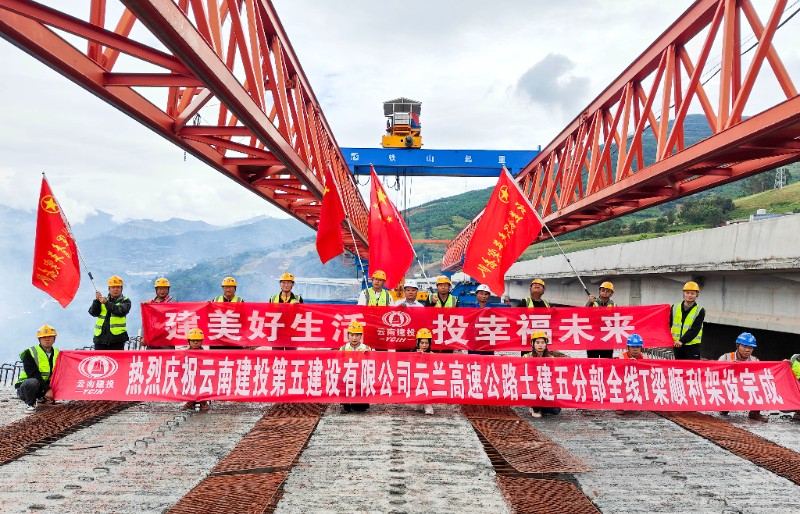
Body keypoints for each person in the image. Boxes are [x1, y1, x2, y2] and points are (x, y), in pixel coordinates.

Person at [718, 332, 767, 422]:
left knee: (761, 385)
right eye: (744, 347)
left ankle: (754, 413)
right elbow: (716, 375)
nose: (747, 350)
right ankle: (725, 407)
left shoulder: (755, 361)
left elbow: (762, 376)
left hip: (746, 387)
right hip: (729, 387)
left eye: (750, 348)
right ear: (738, 346)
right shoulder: (726, 358)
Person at [15, 325, 60, 413]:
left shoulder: (57, 352)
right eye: (44, 337)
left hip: (43, 386)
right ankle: (30, 404)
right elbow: (33, 374)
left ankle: (43, 401)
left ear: (54, 338)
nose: (47, 339)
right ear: (39, 339)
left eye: (50, 336)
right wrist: (47, 389)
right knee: (33, 381)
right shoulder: (30, 352)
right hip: (26, 387)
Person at [522, 331, 561, 418]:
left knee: (556, 411)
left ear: (546, 344)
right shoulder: (526, 357)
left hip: (545, 386)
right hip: (532, 386)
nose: (540, 345)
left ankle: (540, 406)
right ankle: (535, 407)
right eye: (537, 342)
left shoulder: (551, 358)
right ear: (533, 344)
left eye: (543, 342)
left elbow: (554, 375)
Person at [89, 275, 132, 350]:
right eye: (113, 287)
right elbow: (93, 313)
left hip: (117, 340)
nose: (115, 289)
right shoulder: (103, 300)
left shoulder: (125, 301)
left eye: (118, 287)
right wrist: (96, 301)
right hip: (100, 339)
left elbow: (120, 311)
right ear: (109, 289)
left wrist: (106, 303)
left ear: (121, 289)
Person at [339, 321, 371, 412]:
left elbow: (372, 364)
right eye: (352, 335)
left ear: (361, 336)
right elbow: (338, 363)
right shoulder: (343, 348)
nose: (354, 338)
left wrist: (368, 355)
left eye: (357, 335)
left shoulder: (367, 348)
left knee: (360, 408)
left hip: (361, 378)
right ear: (348, 336)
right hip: (347, 376)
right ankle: (345, 405)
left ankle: (358, 402)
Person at [670, 281, 704, 360]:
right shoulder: (675, 307)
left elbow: (695, 329)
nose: (689, 295)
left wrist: (682, 341)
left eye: (692, 293)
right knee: (679, 366)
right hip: (677, 345)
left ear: (697, 295)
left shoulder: (700, 310)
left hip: (692, 346)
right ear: (684, 293)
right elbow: (669, 324)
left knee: (691, 367)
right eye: (687, 293)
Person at [180, 328, 210, 412]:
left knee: (202, 383)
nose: (196, 342)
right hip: (189, 375)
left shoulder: (207, 354)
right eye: (193, 340)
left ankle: (203, 401)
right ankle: (190, 401)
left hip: (201, 376)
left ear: (202, 341)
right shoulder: (184, 353)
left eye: (198, 340)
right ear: (188, 341)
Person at [586, 281, 616, 358]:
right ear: (599, 291)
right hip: (593, 336)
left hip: (607, 338)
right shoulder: (592, 302)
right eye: (603, 290)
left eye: (607, 291)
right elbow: (585, 312)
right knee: (592, 361)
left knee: (606, 361)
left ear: (611, 293)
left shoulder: (613, 305)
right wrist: (590, 302)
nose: (605, 292)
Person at [413, 328, 435, 415]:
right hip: (416, 378)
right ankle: (419, 404)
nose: (424, 345)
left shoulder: (432, 354)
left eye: (426, 343)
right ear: (418, 343)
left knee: (426, 389)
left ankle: (428, 408)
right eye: (422, 343)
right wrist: (418, 355)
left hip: (427, 378)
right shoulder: (413, 353)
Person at [469, 284, 494, 355]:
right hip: (474, 340)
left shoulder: (493, 309)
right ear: (476, 294)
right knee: (474, 360)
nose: (483, 296)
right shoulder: (471, 309)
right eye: (481, 293)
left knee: (488, 360)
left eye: (486, 294)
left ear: (488, 296)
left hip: (488, 341)